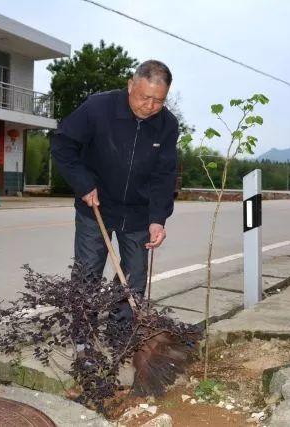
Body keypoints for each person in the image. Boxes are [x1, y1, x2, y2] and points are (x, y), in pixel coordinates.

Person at [51, 60, 179, 320]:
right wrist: (83, 183)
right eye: (145, 97)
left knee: (134, 278)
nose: (150, 106)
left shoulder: (167, 125)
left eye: (159, 101)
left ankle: (120, 334)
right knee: (88, 273)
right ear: (131, 85)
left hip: (138, 212)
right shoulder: (98, 108)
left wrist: (157, 219)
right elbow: (63, 144)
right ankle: (83, 335)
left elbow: (164, 176)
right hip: (96, 204)